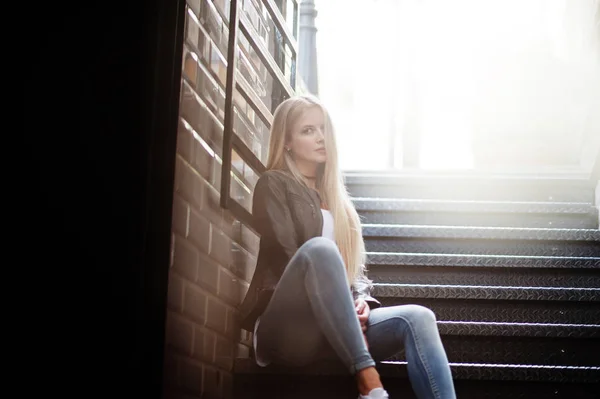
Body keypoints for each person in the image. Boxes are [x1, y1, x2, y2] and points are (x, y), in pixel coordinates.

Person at [238, 95, 456, 399]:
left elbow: (352, 274)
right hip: (289, 329)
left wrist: (359, 302)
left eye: (323, 128)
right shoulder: (274, 185)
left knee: (419, 317)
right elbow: (285, 257)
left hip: (333, 330)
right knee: (320, 251)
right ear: (286, 141)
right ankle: (369, 382)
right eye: (308, 130)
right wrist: (339, 299)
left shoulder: (340, 203)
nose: (320, 137)